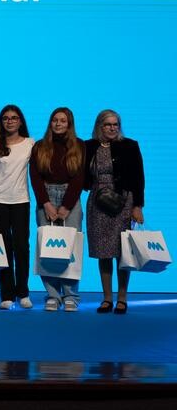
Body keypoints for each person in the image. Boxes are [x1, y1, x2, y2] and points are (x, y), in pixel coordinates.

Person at [85, 110, 145, 315]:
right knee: (103, 252)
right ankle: (107, 298)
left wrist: (137, 206)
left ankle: (122, 298)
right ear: (99, 126)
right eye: (108, 124)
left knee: (122, 252)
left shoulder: (130, 145)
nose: (112, 128)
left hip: (123, 202)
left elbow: (139, 178)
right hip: (97, 202)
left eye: (115, 124)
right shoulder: (88, 146)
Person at [30, 107, 86, 312]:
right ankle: (53, 295)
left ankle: (70, 295)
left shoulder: (79, 145)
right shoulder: (39, 146)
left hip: (70, 197)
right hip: (46, 197)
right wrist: (45, 203)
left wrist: (66, 206)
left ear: (69, 124)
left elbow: (79, 177)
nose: (58, 124)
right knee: (48, 249)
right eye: (55, 120)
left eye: (63, 120)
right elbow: (35, 177)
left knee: (71, 248)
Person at [0, 104, 35, 310]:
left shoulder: (30, 144)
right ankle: (6, 295)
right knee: (3, 249)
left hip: (21, 202)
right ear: (1, 122)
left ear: (20, 121)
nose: (10, 121)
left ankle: (23, 293)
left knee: (22, 247)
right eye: (5, 118)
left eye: (14, 118)